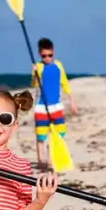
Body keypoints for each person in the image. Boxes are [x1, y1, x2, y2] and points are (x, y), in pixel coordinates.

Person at [30, 37, 77, 169]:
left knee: (60, 132)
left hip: (56, 105)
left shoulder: (58, 65)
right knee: (41, 135)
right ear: (40, 54)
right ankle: (40, 161)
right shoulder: (38, 67)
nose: (47, 58)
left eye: (50, 55)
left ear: (53, 52)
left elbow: (64, 83)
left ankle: (51, 159)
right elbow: (34, 84)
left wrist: (72, 101)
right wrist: (34, 74)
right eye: (44, 56)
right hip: (41, 107)